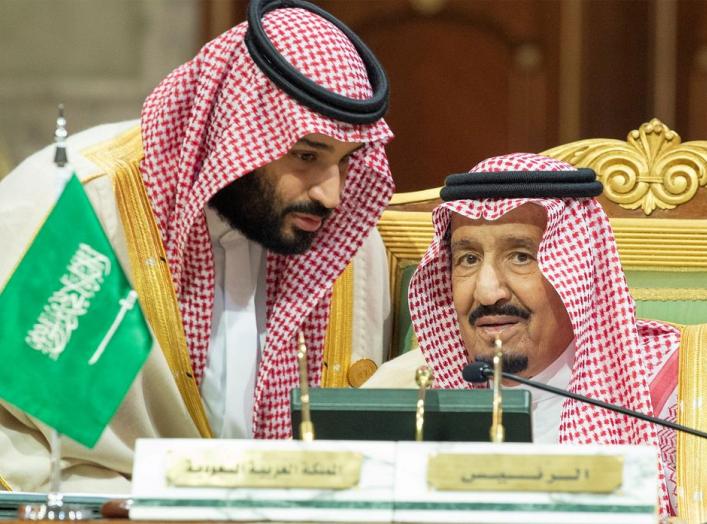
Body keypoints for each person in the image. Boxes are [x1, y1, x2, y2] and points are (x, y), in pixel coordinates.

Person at [0, 1, 393, 493]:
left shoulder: (343, 237)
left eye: (346, 160)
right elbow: (25, 433)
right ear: (236, 131)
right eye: (307, 155)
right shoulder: (89, 212)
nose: (331, 193)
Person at [365, 153, 690, 517]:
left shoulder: (682, 391)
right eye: (468, 259)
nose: (487, 292)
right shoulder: (403, 391)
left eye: (521, 256)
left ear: (578, 272)